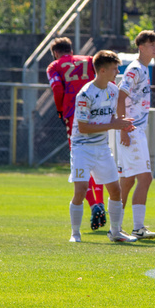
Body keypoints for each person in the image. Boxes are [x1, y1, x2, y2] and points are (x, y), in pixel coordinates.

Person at [68, 50, 137, 243]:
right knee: (80, 189)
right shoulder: (85, 94)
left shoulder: (113, 90)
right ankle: (75, 233)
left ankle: (115, 232)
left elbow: (109, 118)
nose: (117, 72)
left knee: (115, 190)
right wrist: (113, 125)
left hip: (102, 148)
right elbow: (82, 127)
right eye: (115, 69)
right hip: (82, 147)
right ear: (103, 70)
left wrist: (122, 124)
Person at [47, 37, 105, 231]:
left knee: (80, 161)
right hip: (96, 113)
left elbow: (57, 88)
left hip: (74, 115)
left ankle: (94, 205)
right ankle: (102, 204)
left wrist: (60, 110)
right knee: (99, 157)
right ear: (71, 50)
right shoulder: (89, 60)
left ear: (55, 52)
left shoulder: (54, 66)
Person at [116, 30, 155, 239]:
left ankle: (116, 226)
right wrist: (124, 128)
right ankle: (138, 228)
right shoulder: (135, 69)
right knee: (145, 178)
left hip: (135, 130)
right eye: (152, 44)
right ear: (141, 47)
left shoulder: (144, 68)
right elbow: (120, 95)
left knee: (127, 180)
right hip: (132, 130)